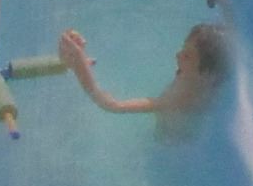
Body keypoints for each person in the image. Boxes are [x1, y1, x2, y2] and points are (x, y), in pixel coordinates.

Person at [56, 23, 229, 143]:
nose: (178, 55)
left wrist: (80, 67)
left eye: (187, 55)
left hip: (168, 147)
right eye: (183, 48)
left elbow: (113, 105)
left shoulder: (179, 99)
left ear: (205, 72)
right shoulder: (205, 79)